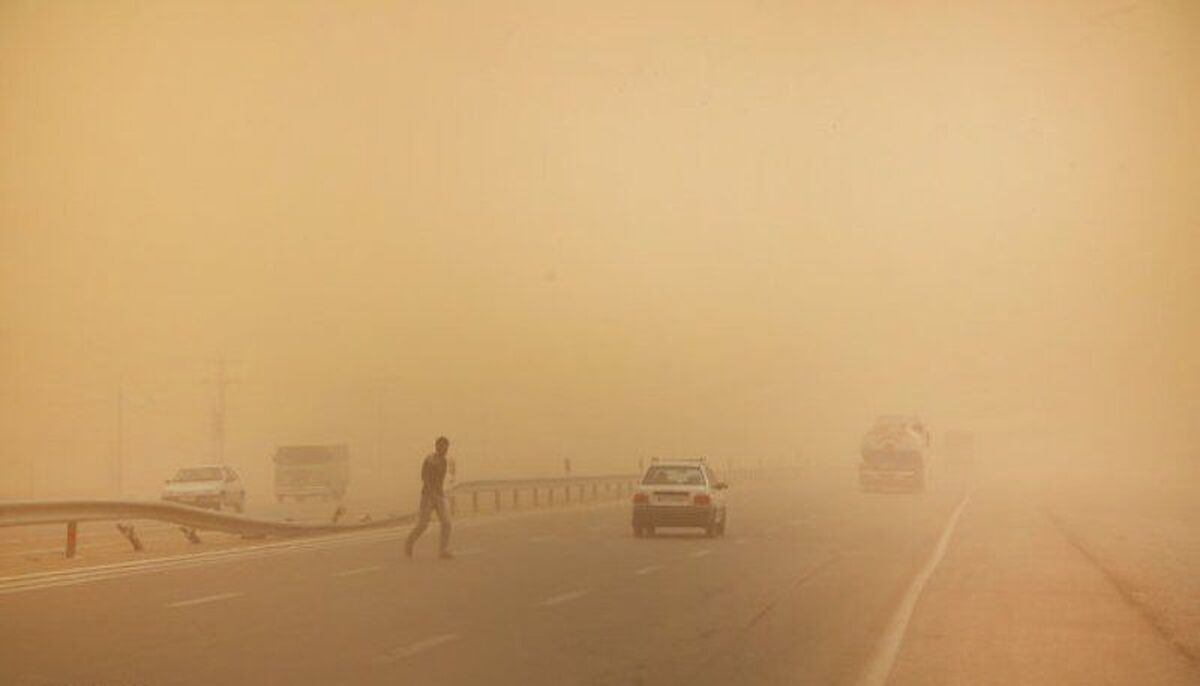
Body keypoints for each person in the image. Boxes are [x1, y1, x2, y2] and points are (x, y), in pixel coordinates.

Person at [405, 436, 453, 559]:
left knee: (446, 523)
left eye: (446, 446)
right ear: (436, 446)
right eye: (441, 446)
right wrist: (431, 491)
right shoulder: (430, 459)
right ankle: (409, 542)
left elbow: (441, 480)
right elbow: (424, 476)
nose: (444, 448)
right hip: (428, 495)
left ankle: (443, 550)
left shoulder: (444, 461)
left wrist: (440, 493)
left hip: (439, 495)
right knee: (423, 525)